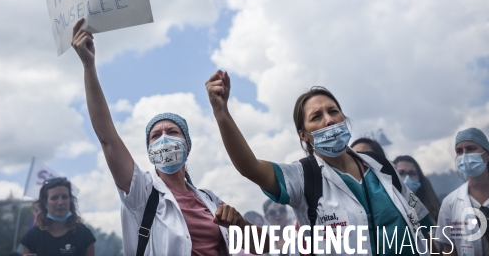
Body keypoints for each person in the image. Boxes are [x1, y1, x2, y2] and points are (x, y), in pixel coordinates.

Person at [71, 18, 267, 256]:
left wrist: (240, 224)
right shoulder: (141, 193)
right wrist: (88, 67)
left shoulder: (209, 200)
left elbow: (265, 248)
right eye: (155, 136)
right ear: (149, 150)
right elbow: (107, 138)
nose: (164, 138)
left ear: (187, 145)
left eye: (172, 132)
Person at [206, 72, 434, 255]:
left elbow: (424, 226)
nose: (329, 119)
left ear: (344, 119)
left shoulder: (382, 167)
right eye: (316, 117)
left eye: (334, 111)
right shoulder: (303, 177)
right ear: (303, 135)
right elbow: (251, 167)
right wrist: (221, 112)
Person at [437, 127, 489, 256]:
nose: (465, 155)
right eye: (459, 151)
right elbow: (449, 249)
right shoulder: (450, 202)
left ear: (487, 154)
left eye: (471, 149)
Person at [21, 177, 96, 256]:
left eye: (64, 197)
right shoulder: (32, 237)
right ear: (45, 203)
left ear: (70, 201)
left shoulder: (84, 234)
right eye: (54, 198)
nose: (60, 202)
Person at [393, 155, 441, 224]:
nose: (407, 178)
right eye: (401, 173)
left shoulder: (433, 212)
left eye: (412, 173)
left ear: (419, 178)